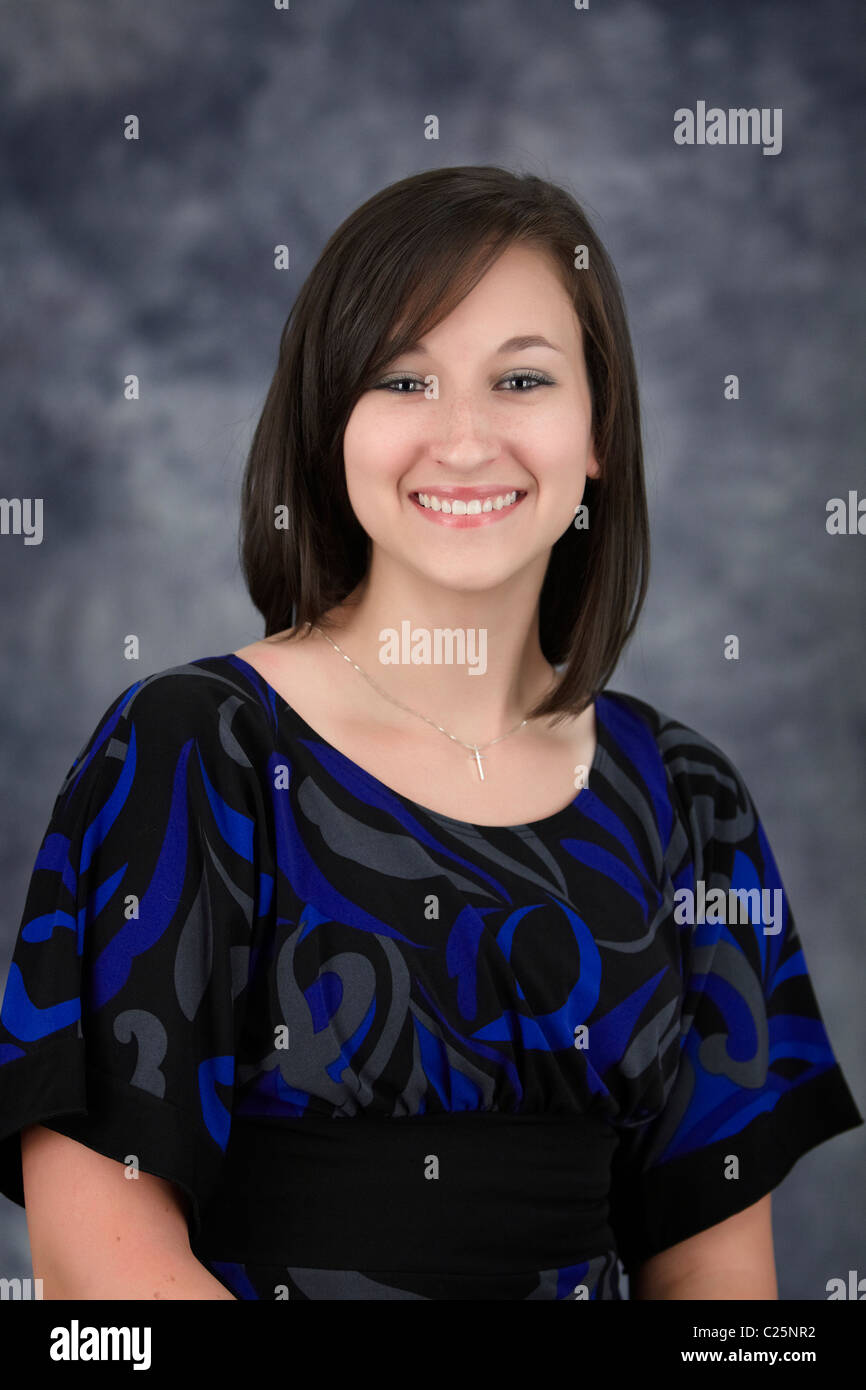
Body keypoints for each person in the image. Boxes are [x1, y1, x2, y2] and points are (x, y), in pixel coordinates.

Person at [0, 166, 861, 1301]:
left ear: (597, 431)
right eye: (403, 378)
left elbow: (716, 1280)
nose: (464, 439)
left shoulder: (689, 799)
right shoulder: (191, 747)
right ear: (329, 426)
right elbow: (96, 1269)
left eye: (520, 378)